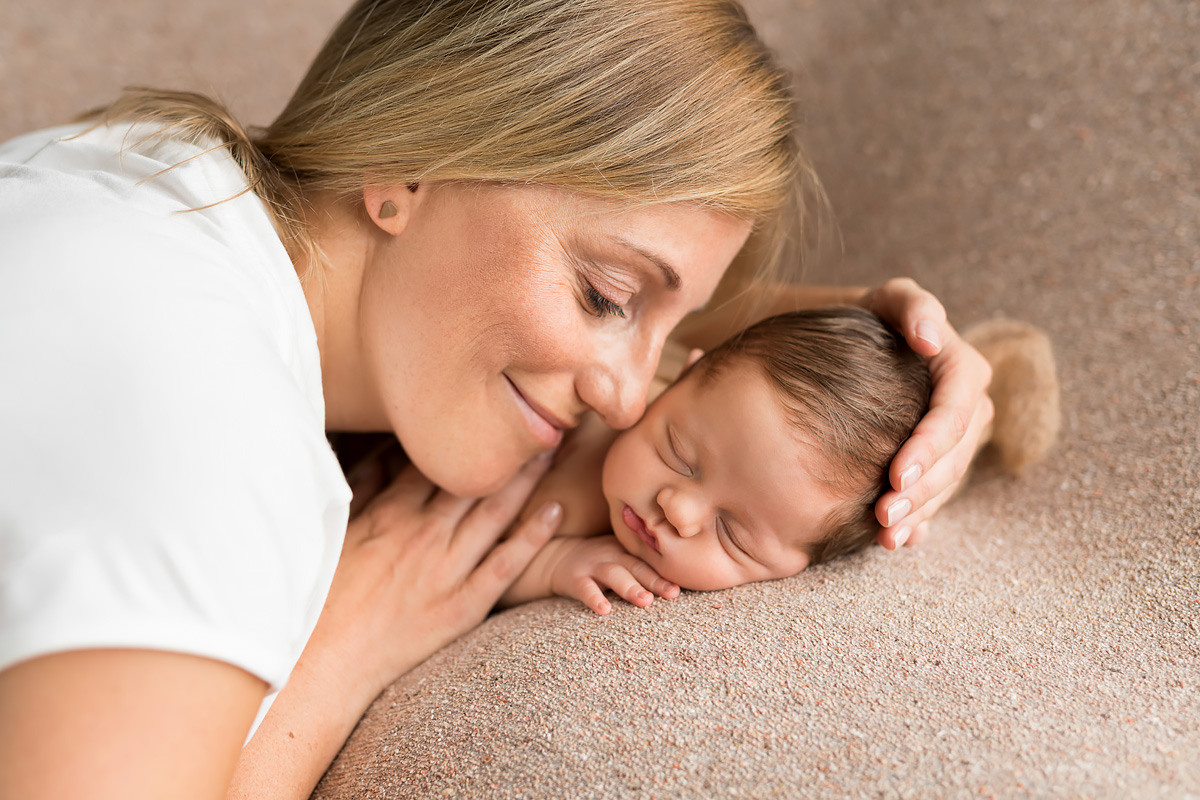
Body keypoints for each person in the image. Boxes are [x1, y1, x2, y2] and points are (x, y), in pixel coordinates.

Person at [0, 1, 994, 798]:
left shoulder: (151, 175)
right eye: (607, 296)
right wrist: (351, 641)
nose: (627, 386)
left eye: (669, 322)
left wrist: (894, 342)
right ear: (407, 166)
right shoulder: (205, 428)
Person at [498, 308, 1057, 615]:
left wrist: (555, 568)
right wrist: (542, 566)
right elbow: (438, 561)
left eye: (734, 534)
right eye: (680, 454)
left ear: (798, 567)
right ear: (677, 380)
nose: (679, 511)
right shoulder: (580, 424)